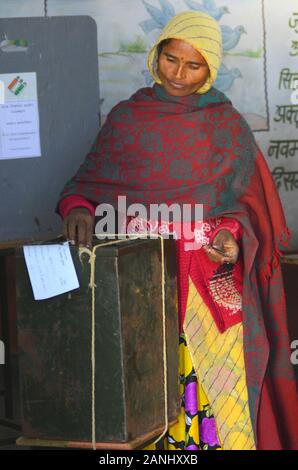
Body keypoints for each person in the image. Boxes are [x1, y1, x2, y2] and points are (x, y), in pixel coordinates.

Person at [58, 11, 298, 450]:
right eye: (171, 59)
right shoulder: (127, 119)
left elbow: (246, 206)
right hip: (136, 284)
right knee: (141, 391)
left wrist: (229, 234)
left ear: (211, 68)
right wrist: (77, 208)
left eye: (194, 65)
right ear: (157, 55)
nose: (180, 74)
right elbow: (86, 185)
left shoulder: (225, 126)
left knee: (223, 388)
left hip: (209, 280)